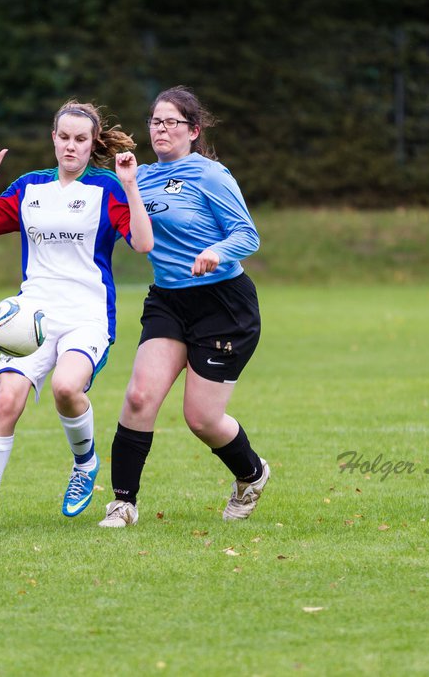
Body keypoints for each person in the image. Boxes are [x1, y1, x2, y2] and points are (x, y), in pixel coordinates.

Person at [0, 100, 153, 534]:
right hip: (34, 316)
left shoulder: (107, 188)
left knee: (67, 388)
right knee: (7, 399)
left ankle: (84, 463)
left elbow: (143, 244)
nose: (71, 146)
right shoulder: (30, 188)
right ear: (53, 138)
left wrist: (132, 185)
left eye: (80, 139)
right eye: (63, 137)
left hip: (86, 316)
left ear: (92, 143)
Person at [100, 85, 268, 528]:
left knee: (201, 418)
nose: (161, 129)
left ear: (193, 131)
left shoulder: (211, 175)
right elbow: (135, 234)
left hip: (223, 304)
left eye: (171, 122)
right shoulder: (142, 176)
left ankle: (251, 474)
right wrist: (128, 184)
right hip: (168, 300)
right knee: (139, 396)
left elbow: (248, 236)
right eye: (155, 121)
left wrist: (218, 251)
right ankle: (122, 503)